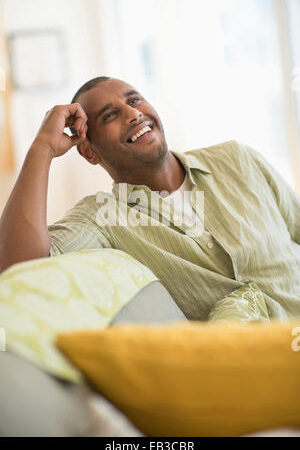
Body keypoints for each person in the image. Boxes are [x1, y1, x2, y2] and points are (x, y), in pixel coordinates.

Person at [0, 76, 300, 320]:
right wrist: (42, 147)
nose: (132, 113)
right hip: (257, 369)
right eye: (110, 115)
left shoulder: (237, 158)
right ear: (89, 151)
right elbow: (17, 268)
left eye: (134, 100)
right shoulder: (102, 218)